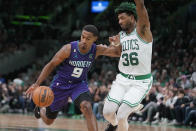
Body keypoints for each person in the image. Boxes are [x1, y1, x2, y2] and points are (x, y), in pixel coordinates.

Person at [25, 24, 120, 131]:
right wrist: (37, 83)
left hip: (78, 84)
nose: (84, 40)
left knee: (87, 107)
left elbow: (117, 52)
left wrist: (116, 43)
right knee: (48, 121)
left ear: (95, 39)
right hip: (61, 84)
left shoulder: (96, 49)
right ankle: (41, 108)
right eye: (82, 37)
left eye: (88, 39)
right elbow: (51, 64)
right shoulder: (68, 49)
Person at [103, 1, 153, 131]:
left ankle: (131, 106)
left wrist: (139, 2)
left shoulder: (143, 31)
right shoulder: (121, 35)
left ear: (132, 17)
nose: (119, 21)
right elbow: (118, 52)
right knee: (107, 113)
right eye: (118, 18)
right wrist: (112, 45)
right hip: (123, 79)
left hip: (140, 81)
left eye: (122, 18)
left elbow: (141, 6)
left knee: (121, 115)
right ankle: (113, 125)